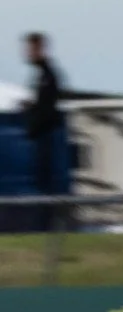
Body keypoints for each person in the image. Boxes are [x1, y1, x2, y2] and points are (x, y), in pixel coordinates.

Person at [21, 33, 67, 231]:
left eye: (31, 49)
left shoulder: (48, 75)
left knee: (46, 183)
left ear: (40, 48)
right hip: (42, 136)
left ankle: (48, 225)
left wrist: (33, 124)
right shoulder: (40, 75)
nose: (27, 53)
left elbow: (48, 108)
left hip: (45, 137)